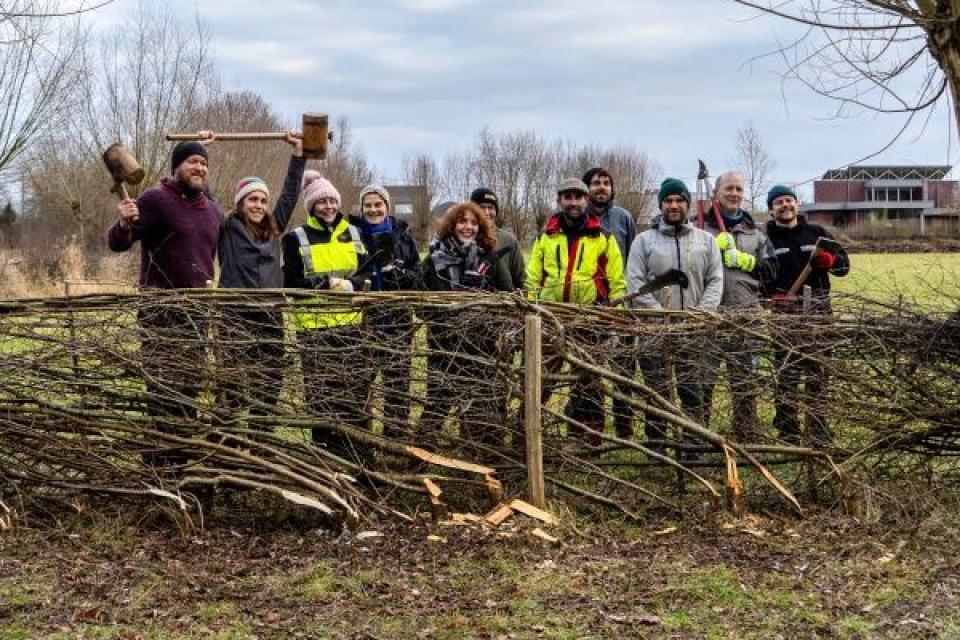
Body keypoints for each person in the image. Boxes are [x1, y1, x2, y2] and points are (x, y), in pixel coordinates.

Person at [107, 138, 222, 465]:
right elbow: (118, 242)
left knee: (190, 392)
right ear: (177, 167)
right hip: (162, 314)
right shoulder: (156, 199)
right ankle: (159, 466)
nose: (199, 168)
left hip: (198, 315)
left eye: (203, 163)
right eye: (192, 162)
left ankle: (182, 461)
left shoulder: (213, 210)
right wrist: (123, 222)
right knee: (162, 393)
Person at [626, 178, 723, 458]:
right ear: (661, 205)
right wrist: (660, 317)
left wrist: (699, 316)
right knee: (656, 390)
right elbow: (635, 283)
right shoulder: (644, 241)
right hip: (654, 330)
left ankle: (693, 446)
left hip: (694, 330)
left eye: (679, 200)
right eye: (668, 201)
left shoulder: (706, 241)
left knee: (693, 389)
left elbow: (715, 280)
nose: (674, 205)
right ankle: (656, 445)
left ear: (687, 205)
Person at [526, 178, 627, 446]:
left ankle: (589, 439)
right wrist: (533, 310)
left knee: (589, 381)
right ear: (559, 200)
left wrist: (615, 313)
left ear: (586, 201)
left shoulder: (603, 237)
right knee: (541, 378)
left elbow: (617, 281)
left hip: (590, 320)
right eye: (567, 197)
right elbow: (533, 279)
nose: (573, 202)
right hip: (550, 318)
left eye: (578, 197)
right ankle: (528, 433)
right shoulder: (545, 237)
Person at [216, 133, 305, 423]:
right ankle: (225, 439)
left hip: (269, 314)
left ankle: (260, 432)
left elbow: (290, 193)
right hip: (234, 314)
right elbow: (202, 194)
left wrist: (299, 155)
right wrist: (202, 148)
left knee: (269, 378)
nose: (258, 205)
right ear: (240, 203)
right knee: (230, 382)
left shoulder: (274, 228)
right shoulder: (226, 227)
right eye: (252, 199)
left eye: (263, 200)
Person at [281, 171, 369, 459]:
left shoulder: (354, 232)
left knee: (354, 391)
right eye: (322, 202)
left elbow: (367, 272)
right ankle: (325, 454)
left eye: (332, 200)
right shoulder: (296, 238)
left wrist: (352, 285)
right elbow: (291, 283)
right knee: (320, 395)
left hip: (351, 325)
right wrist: (325, 286)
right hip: (314, 327)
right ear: (311, 206)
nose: (329, 206)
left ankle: (356, 452)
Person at [418, 202, 512, 450]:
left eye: (473, 222)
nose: (467, 227)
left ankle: (484, 458)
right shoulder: (434, 260)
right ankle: (420, 458)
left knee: (482, 406)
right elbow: (419, 302)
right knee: (436, 404)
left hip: (480, 349)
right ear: (452, 225)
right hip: (443, 346)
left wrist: (483, 314)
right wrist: (444, 317)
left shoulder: (489, 259)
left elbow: (508, 299)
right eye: (462, 221)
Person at [765, 184, 850, 445]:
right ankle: (788, 430)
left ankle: (818, 427)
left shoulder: (817, 234)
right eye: (779, 202)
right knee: (787, 375)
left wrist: (831, 262)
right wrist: (771, 296)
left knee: (818, 375)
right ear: (771, 209)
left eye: (789, 200)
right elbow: (760, 274)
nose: (785, 205)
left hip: (819, 315)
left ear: (797, 205)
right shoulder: (766, 239)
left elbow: (844, 265)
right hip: (785, 316)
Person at [696, 171, 778, 441]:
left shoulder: (756, 232)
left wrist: (744, 260)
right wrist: (708, 248)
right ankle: (699, 435)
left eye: (739, 189)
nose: (734, 193)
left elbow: (771, 271)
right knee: (703, 381)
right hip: (708, 318)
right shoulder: (698, 229)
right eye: (729, 188)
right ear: (716, 194)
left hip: (746, 317)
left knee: (744, 381)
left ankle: (746, 435)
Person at [349, 185, 420, 439]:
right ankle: (362, 437)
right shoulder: (353, 235)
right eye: (367, 205)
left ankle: (396, 437)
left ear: (386, 207)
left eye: (378, 204)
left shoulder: (404, 237)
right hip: (362, 321)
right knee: (360, 382)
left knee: (398, 383)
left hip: (397, 319)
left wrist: (398, 275)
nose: (373, 209)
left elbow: (416, 274)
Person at [583, 167, 638, 439]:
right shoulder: (578, 218)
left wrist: (626, 301)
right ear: (587, 189)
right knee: (588, 371)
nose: (601, 187)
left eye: (606, 183)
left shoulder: (623, 218)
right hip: (588, 305)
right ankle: (592, 429)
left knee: (623, 368)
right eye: (596, 183)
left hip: (619, 302)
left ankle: (624, 428)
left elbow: (634, 257)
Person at [469, 187, 525, 290]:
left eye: (491, 208)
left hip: (505, 302)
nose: (487, 212)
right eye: (482, 207)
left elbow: (521, 281)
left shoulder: (509, 241)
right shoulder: (465, 238)